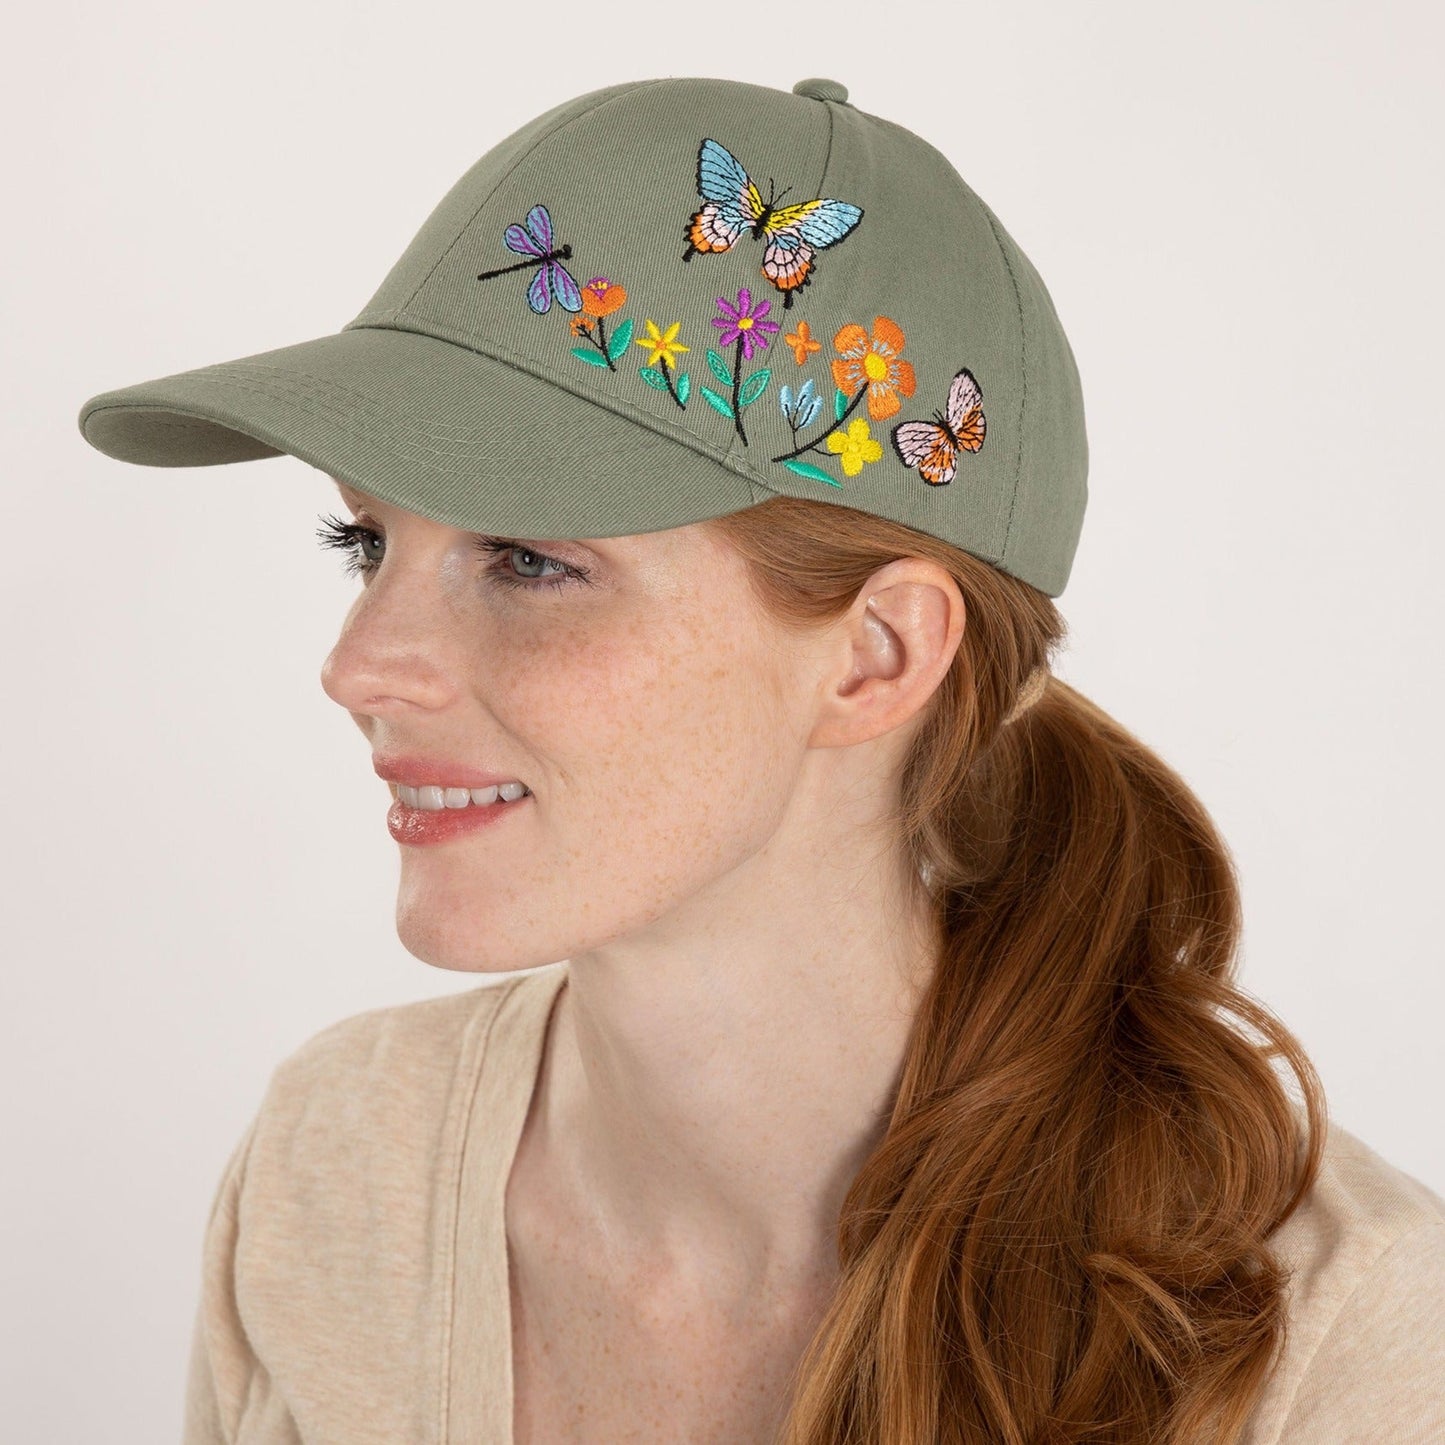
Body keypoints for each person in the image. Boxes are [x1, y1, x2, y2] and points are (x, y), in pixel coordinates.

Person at [76, 74, 1445, 1445]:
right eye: (365, 543)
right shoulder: (338, 1168)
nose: (360, 665)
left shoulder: (1329, 1341)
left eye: (530, 561)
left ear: (877, 656)